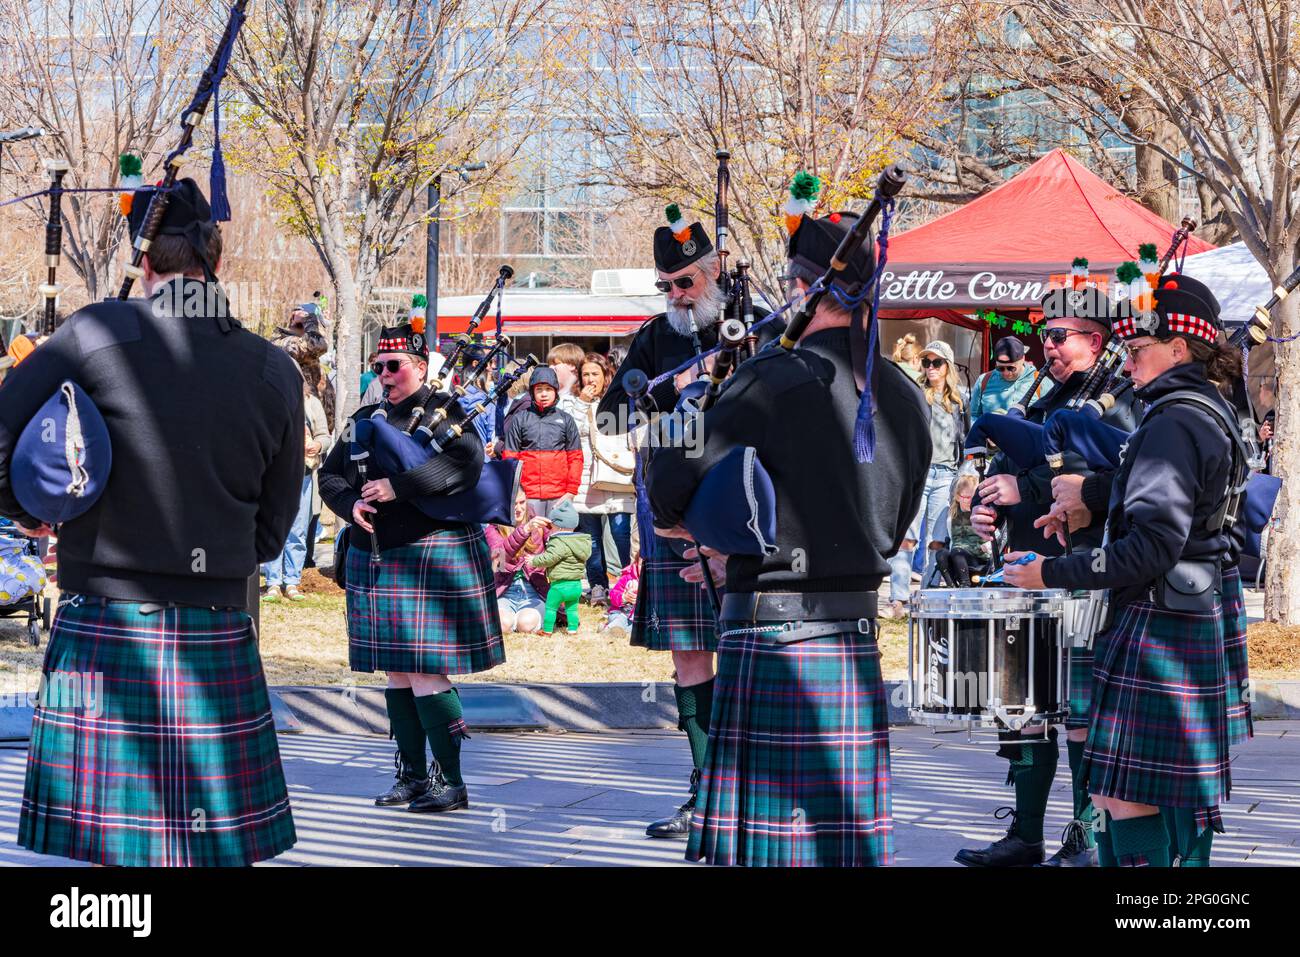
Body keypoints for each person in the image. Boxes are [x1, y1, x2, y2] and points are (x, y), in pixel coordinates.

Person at [0, 177, 302, 865]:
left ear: (146, 266)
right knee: (207, 846)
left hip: (103, 612)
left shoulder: (93, 331)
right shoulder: (274, 369)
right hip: (218, 620)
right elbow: (274, 526)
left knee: (115, 854)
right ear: (217, 265)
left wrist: (31, 514)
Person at [648, 205, 929, 866]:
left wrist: (692, 411)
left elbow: (668, 486)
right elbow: (890, 525)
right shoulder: (908, 395)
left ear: (806, 290)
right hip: (855, 641)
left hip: (770, 634)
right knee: (842, 849)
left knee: (770, 851)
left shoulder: (766, 379)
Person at [1004, 274, 1246, 868]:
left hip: (1160, 613)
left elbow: (1155, 544)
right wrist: (1094, 493)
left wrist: (1053, 573)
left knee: (1123, 793)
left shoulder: (1171, 421)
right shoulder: (1204, 409)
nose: (1130, 360)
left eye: (1139, 350)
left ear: (1180, 349)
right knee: (1168, 794)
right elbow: (1181, 501)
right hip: (1190, 603)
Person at [955, 277, 1141, 868]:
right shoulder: (1041, 401)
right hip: (1025, 571)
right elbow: (1014, 469)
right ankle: (1026, 834)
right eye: (1044, 336)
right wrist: (988, 508)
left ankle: (1085, 834)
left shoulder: (1123, 400)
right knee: (1024, 708)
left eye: (1059, 337)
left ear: (1098, 337)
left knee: (1082, 718)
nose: (1048, 348)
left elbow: (1124, 485)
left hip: (1083, 575)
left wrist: (1026, 485)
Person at [318, 320, 503, 814]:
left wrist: (400, 487)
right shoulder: (364, 416)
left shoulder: (446, 412)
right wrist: (351, 503)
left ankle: (452, 780)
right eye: (379, 366)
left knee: (424, 670)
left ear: (420, 366)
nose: (385, 374)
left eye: (394, 366)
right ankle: (414, 776)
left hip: (430, 549)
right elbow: (329, 475)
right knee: (396, 672)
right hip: (375, 555)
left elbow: (467, 464)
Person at [595, 209, 729, 839]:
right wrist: (669, 405)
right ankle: (703, 790)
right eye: (667, 284)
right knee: (689, 655)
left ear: (713, 272)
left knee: (748, 651)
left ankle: (749, 784)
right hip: (672, 515)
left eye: (686, 283)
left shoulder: (750, 330)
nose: (676, 296)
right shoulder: (653, 339)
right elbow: (610, 419)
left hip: (739, 515)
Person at [887, 339, 965, 614]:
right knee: (907, 538)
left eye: (936, 362)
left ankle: (928, 596)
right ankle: (898, 597)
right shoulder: (915, 393)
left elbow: (964, 438)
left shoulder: (959, 399)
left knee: (936, 540)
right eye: (926, 362)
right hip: (917, 472)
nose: (930, 367)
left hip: (946, 474)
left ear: (947, 366)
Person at [558, 351, 635, 607]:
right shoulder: (569, 401)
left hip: (615, 475)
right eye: (586, 374)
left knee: (621, 533)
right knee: (589, 538)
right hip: (584, 478)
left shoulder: (618, 399)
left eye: (596, 374)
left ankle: (629, 582)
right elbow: (567, 430)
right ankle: (598, 586)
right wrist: (581, 402)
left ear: (606, 376)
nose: (591, 379)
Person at [264, 381, 331, 601]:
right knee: (274, 527)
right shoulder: (271, 401)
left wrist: (318, 446)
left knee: (298, 530)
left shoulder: (312, 404)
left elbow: (324, 436)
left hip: (303, 474)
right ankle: (273, 582)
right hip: (276, 474)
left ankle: (292, 581)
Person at [501, 366, 582, 519]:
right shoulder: (520, 419)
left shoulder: (566, 419)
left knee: (556, 540)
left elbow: (576, 458)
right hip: (528, 494)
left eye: (548, 389)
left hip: (559, 494)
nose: (544, 394)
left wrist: (571, 491)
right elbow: (510, 458)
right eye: (539, 389)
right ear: (532, 392)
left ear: (555, 391)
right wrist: (516, 490)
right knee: (532, 539)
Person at [485, 499, 553, 635]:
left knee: (526, 624)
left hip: (534, 592)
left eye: (522, 502)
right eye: (513, 503)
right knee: (502, 624)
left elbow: (558, 548)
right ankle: (512, 620)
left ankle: (521, 620)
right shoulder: (492, 528)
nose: (518, 508)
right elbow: (500, 557)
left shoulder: (538, 525)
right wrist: (525, 530)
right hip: (505, 592)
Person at [525, 499, 591, 636]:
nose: (551, 529)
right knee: (572, 609)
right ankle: (573, 629)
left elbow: (550, 558)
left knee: (550, 608)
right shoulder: (581, 541)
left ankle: (547, 630)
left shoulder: (558, 541)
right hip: (576, 585)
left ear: (559, 527)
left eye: (552, 526)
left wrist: (534, 560)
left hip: (560, 585)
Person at [272, 300, 334, 426]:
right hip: (298, 422)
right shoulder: (282, 342)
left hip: (319, 429)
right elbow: (317, 345)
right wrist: (310, 320)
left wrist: (320, 321)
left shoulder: (307, 344)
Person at [969, 335, 1051, 418]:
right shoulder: (983, 381)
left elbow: (1051, 419)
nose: (1006, 373)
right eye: (1000, 368)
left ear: (1023, 359)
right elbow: (973, 415)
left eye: (1011, 368)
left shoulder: (1041, 383)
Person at [934, 471, 991, 587]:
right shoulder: (952, 515)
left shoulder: (981, 512)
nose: (970, 500)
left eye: (973, 497)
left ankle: (965, 584)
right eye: (966, 497)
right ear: (958, 496)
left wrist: (988, 546)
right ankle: (952, 585)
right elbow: (952, 538)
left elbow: (998, 534)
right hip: (958, 554)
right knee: (941, 554)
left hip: (978, 554)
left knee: (957, 551)